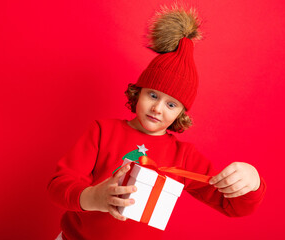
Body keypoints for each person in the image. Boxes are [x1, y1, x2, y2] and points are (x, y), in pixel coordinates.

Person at [47, 5, 266, 240]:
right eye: (153, 95)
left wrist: (252, 181)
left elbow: (233, 206)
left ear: (181, 112)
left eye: (171, 104)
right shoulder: (103, 131)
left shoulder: (184, 157)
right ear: (138, 92)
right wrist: (93, 197)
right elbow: (59, 185)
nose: (157, 108)